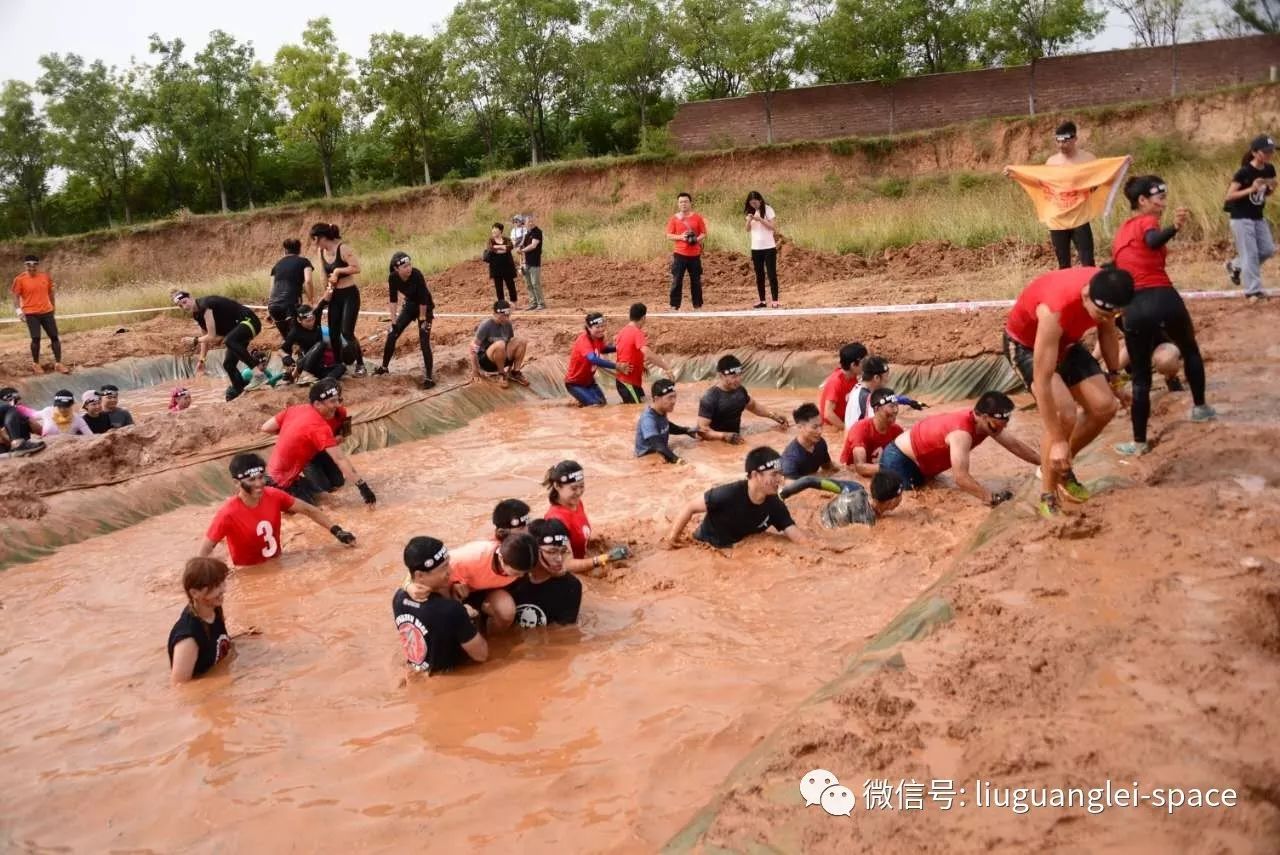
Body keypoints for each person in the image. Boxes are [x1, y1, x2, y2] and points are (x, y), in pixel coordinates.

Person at [1003, 266, 1133, 516]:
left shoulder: (1105, 289)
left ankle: (1060, 468)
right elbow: (1042, 381)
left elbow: (1107, 333)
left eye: (1113, 315)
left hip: (1068, 342)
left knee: (1105, 406)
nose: (1107, 319)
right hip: (1027, 346)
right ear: (1085, 296)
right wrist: (1059, 440)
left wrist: (1115, 380)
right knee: (1065, 415)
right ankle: (1048, 493)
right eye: (1102, 314)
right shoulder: (1055, 309)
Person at [1111, 175, 1215, 456]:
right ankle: (1200, 407)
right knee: (1190, 350)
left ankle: (1139, 442)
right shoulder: (1147, 222)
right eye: (1158, 196)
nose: (1163, 201)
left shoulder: (1121, 232)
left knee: (1142, 378)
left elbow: (1118, 267)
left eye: (1164, 195)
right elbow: (1154, 240)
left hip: (1135, 306)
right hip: (1163, 296)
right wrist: (1175, 227)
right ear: (1142, 201)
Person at [879, 391, 1040, 507]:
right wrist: (992, 498)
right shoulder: (962, 434)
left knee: (926, 493)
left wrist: (1044, 462)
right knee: (906, 504)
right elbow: (961, 478)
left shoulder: (988, 425)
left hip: (921, 463)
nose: (1000, 430)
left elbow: (1016, 446)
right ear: (983, 417)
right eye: (997, 426)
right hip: (899, 460)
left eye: (1003, 426)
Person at [198, 452, 356, 567]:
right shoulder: (228, 513)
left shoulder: (274, 495)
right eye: (251, 479)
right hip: (248, 573)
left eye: (261, 477)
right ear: (236, 483)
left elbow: (309, 510)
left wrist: (337, 531)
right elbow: (205, 550)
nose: (259, 484)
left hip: (278, 561)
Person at [261, 379, 377, 506]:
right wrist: (363, 488)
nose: (337, 405)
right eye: (332, 401)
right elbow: (340, 459)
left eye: (338, 400)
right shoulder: (319, 427)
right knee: (315, 507)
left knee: (332, 497)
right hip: (279, 482)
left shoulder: (295, 409)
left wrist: (292, 434)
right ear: (317, 404)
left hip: (286, 476)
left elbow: (266, 427)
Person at [666, 446, 807, 548]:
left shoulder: (775, 505)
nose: (780, 479)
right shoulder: (727, 494)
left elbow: (796, 536)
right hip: (705, 546)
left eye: (780, 474)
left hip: (739, 548)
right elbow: (690, 507)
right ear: (755, 475)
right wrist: (672, 538)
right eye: (774, 474)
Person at [393, 536, 489, 674]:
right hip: (452, 677)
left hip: (418, 670)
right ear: (420, 575)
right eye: (444, 568)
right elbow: (481, 655)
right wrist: (472, 619)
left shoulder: (398, 598)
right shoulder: (451, 610)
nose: (450, 571)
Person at [172, 289, 267, 401]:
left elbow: (211, 336)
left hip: (249, 321)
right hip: (236, 332)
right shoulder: (197, 315)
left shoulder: (204, 306)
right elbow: (206, 339)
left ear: (191, 297)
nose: (185, 306)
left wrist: (194, 340)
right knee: (228, 364)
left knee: (229, 341)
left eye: (184, 302)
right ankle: (241, 392)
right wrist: (202, 360)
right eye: (181, 306)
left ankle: (258, 374)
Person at [542, 460, 631, 573]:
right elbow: (566, 565)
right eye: (573, 488)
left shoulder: (576, 503)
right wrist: (604, 558)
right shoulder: (556, 520)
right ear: (557, 486)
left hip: (584, 560)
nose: (579, 492)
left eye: (582, 486)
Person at [445, 531, 539, 633]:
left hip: (486, 591)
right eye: (516, 573)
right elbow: (436, 577)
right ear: (501, 559)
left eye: (525, 573)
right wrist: (455, 600)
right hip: (457, 591)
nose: (521, 576)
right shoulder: (468, 559)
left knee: (506, 612)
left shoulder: (526, 561)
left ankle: (493, 642)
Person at [310, 222, 367, 377]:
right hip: (334, 295)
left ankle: (360, 364)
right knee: (334, 333)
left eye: (314, 239)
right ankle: (338, 364)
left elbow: (356, 268)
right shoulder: (321, 252)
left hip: (349, 294)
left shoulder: (343, 248)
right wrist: (326, 293)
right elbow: (322, 273)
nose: (314, 243)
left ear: (321, 237)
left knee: (347, 332)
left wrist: (338, 270)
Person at [1224, 134, 1276, 304]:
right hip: (1241, 217)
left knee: (1268, 249)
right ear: (1254, 152)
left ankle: (1236, 265)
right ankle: (1253, 291)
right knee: (1250, 254)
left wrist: (1271, 188)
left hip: (1257, 216)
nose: (1270, 154)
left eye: (1272, 150)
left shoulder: (1269, 169)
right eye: (1266, 151)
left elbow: (1265, 193)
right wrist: (1251, 188)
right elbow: (1229, 196)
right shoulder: (1244, 172)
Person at [168, 557, 234, 684]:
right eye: (215, 586)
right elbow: (180, 686)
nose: (223, 589)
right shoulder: (188, 639)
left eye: (222, 582)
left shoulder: (214, 608)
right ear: (194, 593)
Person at [509, 518, 583, 627]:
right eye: (551, 552)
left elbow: (564, 635)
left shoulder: (571, 586)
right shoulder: (512, 574)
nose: (559, 559)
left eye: (563, 551)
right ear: (533, 549)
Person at [377, 251, 436, 388]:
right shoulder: (393, 277)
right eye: (405, 267)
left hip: (425, 307)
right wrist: (393, 322)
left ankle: (429, 377)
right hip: (410, 306)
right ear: (396, 269)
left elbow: (423, 299)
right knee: (392, 334)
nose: (409, 268)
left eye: (409, 265)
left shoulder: (417, 274)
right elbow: (393, 300)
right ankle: (384, 367)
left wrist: (423, 321)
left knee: (424, 341)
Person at [697, 354, 788, 443]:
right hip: (715, 443)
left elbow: (753, 406)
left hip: (736, 437)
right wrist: (724, 436)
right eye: (734, 377)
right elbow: (702, 431)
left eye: (740, 375)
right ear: (721, 376)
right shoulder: (710, 398)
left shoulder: (740, 390)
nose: (739, 379)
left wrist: (774, 416)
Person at [777, 402, 860, 498]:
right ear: (800, 427)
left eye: (821, 425)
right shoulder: (790, 458)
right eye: (815, 427)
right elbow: (792, 492)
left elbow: (829, 467)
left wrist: (848, 471)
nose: (820, 431)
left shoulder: (820, 443)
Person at [1044, 121, 1097, 268]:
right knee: (1063, 264)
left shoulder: (1088, 159)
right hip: (1058, 221)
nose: (1061, 145)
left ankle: (1091, 290)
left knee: (1087, 262)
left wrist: (1123, 163)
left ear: (1074, 139)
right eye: (1058, 141)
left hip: (1080, 219)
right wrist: (1015, 173)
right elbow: (1043, 184)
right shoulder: (1051, 162)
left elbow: (1101, 177)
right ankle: (1067, 291)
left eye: (1065, 141)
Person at [11, 254, 67, 375]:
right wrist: (19, 312)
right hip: (31, 313)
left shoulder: (45, 277)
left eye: (34, 264)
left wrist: (53, 307)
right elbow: (15, 297)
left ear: (38, 265)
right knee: (36, 338)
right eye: (28, 264)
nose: (32, 267)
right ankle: (36, 364)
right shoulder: (19, 279)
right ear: (25, 265)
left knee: (54, 337)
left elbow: (51, 293)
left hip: (47, 312)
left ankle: (58, 363)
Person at [564, 312, 629, 407]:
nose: (601, 329)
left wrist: (619, 347)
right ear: (589, 328)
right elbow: (593, 359)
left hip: (589, 382)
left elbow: (603, 349)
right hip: (575, 384)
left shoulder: (598, 338)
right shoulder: (584, 340)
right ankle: (579, 400)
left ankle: (580, 401)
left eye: (602, 326)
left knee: (602, 403)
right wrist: (616, 366)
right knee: (595, 405)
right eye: (597, 327)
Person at [613, 303, 673, 404]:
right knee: (635, 411)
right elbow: (648, 354)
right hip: (628, 382)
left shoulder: (622, 332)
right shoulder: (637, 332)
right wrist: (666, 368)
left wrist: (641, 365)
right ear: (644, 317)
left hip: (626, 382)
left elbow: (625, 351)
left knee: (641, 406)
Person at [635, 378, 702, 464]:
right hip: (647, 459)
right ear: (656, 399)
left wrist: (686, 430)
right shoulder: (648, 419)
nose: (674, 401)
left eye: (674, 397)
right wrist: (678, 461)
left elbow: (666, 426)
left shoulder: (661, 411)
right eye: (670, 398)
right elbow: (658, 446)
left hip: (660, 451)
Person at [840, 388, 904, 476]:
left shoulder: (897, 431)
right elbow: (860, 467)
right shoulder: (860, 429)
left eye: (897, 406)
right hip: (850, 474)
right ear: (877, 409)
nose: (896, 410)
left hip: (879, 472)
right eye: (891, 406)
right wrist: (891, 468)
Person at [278, 303, 344, 385]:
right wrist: (286, 356)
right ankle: (303, 375)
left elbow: (320, 305)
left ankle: (324, 382)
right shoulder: (295, 332)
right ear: (299, 320)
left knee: (341, 367)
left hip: (319, 367)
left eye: (313, 319)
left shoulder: (317, 325)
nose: (311, 323)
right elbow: (281, 350)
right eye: (307, 321)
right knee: (321, 344)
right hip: (305, 364)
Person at [471, 300, 529, 389]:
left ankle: (515, 372)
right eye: (503, 316)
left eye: (507, 316)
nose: (505, 318)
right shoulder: (486, 325)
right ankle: (501, 374)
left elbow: (511, 345)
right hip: (487, 361)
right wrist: (475, 371)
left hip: (502, 357)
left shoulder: (507, 324)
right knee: (500, 344)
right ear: (495, 314)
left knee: (522, 341)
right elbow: (473, 347)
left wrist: (510, 368)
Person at [819, 472, 906, 528]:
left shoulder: (860, 492)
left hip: (822, 517)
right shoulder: (867, 520)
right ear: (891, 502)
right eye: (901, 494)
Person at [267, 238, 315, 337]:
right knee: (299, 336)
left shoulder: (277, 265)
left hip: (273, 306)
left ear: (285, 251)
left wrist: (269, 309)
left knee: (287, 338)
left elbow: (272, 288)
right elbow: (308, 281)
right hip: (291, 304)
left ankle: (287, 351)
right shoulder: (304, 262)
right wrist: (311, 300)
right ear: (299, 250)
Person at [667, 191, 708, 310]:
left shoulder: (697, 217)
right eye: (681, 202)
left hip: (695, 254)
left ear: (690, 203)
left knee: (696, 280)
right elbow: (669, 235)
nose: (683, 204)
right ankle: (674, 305)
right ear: (678, 204)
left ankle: (698, 305)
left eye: (685, 201)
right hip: (680, 254)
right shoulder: (674, 218)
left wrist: (696, 239)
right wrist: (681, 237)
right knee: (677, 279)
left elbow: (704, 233)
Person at [818, 342, 867, 430]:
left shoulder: (853, 377)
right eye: (864, 362)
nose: (867, 365)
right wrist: (847, 429)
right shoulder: (836, 382)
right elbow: (828, 414)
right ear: (853, 365)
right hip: (831, 427)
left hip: (842, 421)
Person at [745, 190, 780, 308]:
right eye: (751, 203)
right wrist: (749, 220)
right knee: (759, 275)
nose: (753, 205)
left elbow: (773, 227)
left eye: (755, 202)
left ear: (760, 200)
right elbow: (747, 229)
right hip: (756, 248)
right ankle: (762, 300)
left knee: (771, 274)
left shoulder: (768, 209)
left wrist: (760, 219)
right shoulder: (750, 212)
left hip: (769, 247)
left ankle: (775, 300)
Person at [843, 356, 891, 432]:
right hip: (858, 441)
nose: (888, 380)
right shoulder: (869, 399)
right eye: (887, 376)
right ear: (876, 378)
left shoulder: (857, 387)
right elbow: (877, 429)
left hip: (851, 437)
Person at [0, 387, 45, 457]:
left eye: (18, 399)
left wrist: (28, 419)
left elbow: (41, 431)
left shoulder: (20, 416)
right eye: (15, 400)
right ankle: (18, 445)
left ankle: (19, 446)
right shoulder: (8, 412)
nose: (19, 402)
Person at [486, 222, 518, 304]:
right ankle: (502, 304)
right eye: (493, 231)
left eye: (495, 231)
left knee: (511, 285)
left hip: (507, 266)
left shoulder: (507, 239)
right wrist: (502, 248)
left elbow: (510, 247)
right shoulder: (491, 240)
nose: (494, 233)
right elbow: (491, 249)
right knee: (499, 287)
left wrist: (498, 247)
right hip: (496, 267)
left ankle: (514, 302)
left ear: (500, 231)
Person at [519, 213, 546, 310]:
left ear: (534, 222)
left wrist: (522, 250)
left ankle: (541, 303)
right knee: (528, 284)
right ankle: (533, 303)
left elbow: (533, 245)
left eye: (531, 221)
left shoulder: (537, 232)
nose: (530, 223)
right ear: (525, 223)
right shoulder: (527, 233)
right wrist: (520, 249)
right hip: (526, 262)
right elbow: (522, 245)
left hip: (534, 262)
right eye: (528, 222)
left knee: (535, 283)